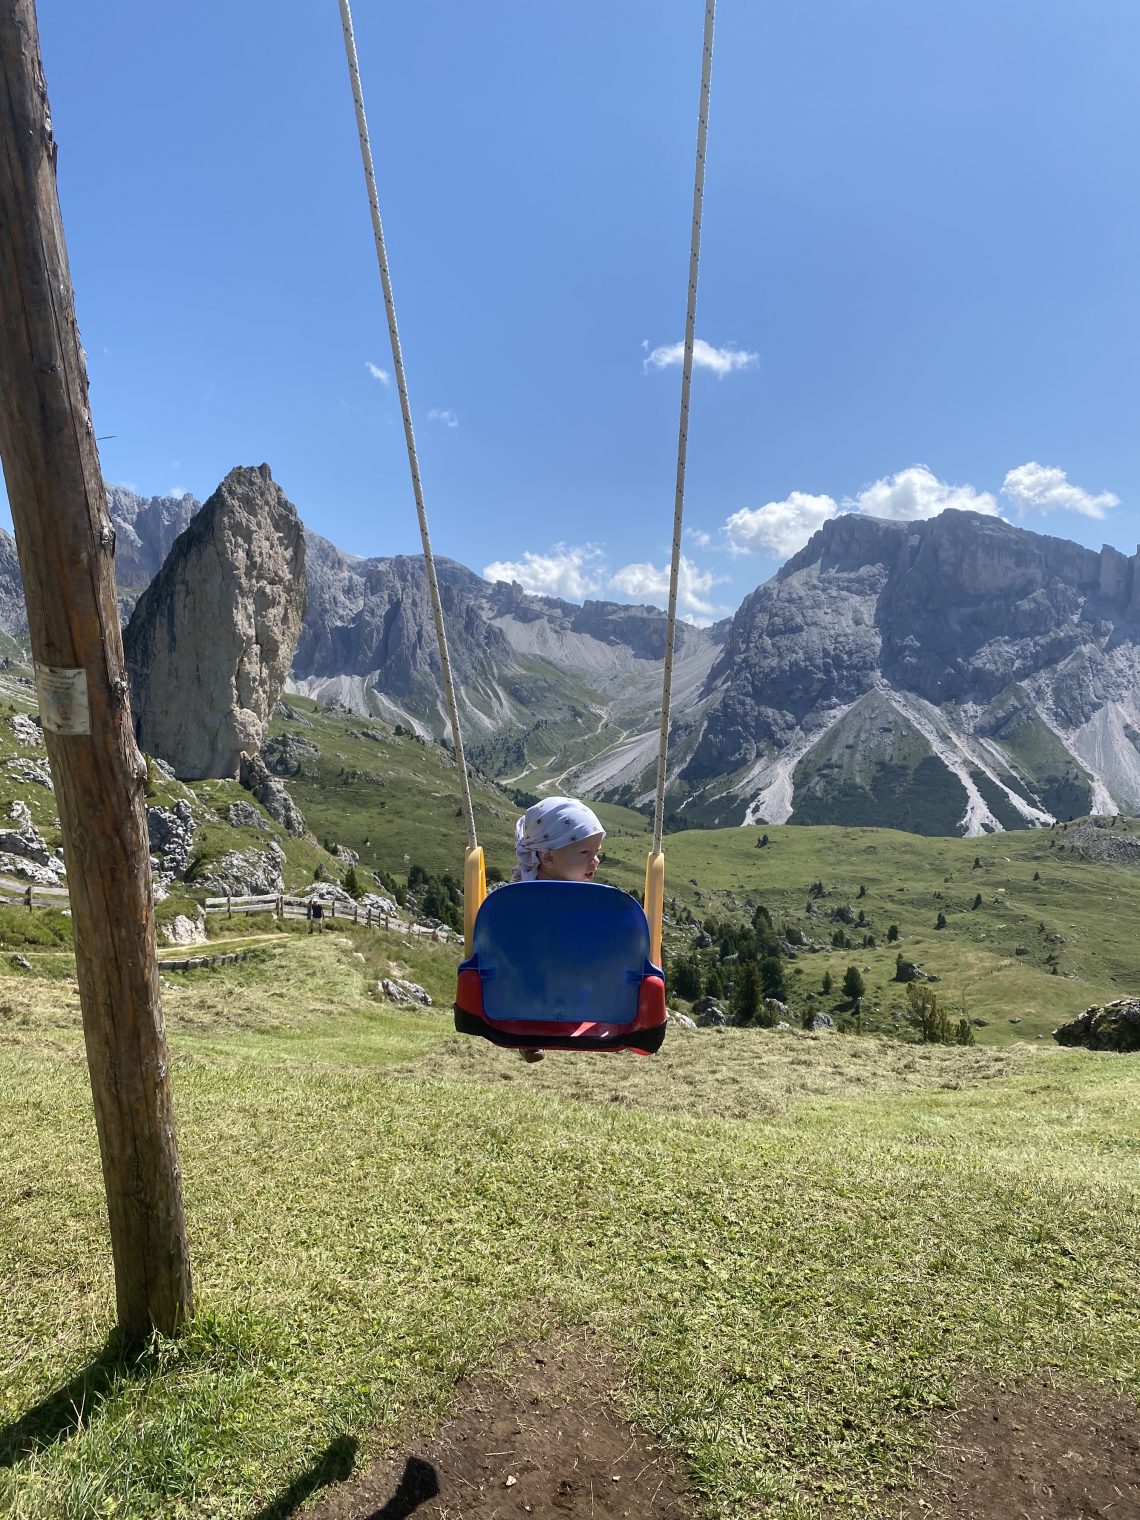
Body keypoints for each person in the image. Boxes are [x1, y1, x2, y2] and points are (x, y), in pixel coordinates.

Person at [512, 797, 606, 1062]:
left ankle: (531, 1029)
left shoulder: (514, 897)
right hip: (548, 991)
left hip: (550, 994)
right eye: (585, 853)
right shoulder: (519, 903)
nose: (596, 861)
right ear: (549, 856)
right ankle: (533, 1028)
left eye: (597, 852)